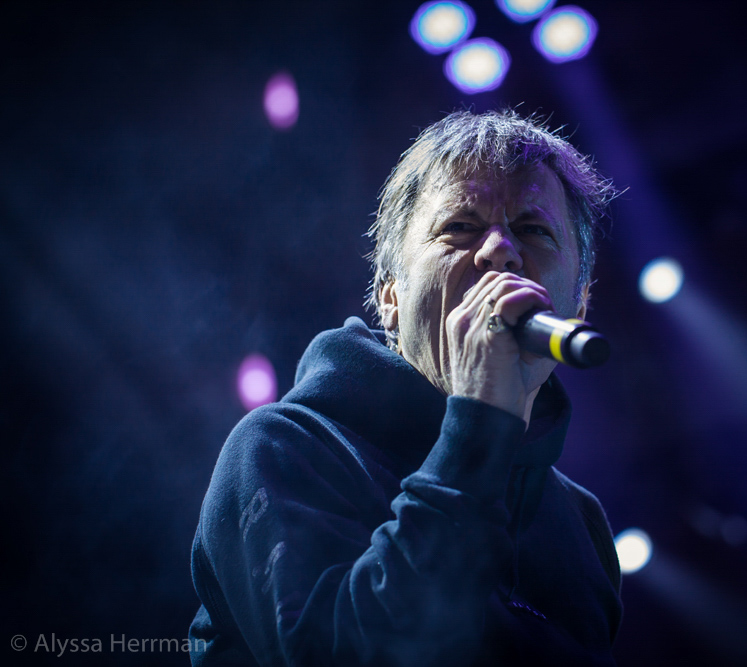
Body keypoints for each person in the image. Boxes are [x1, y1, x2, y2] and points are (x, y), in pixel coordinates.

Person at [189, 110, 622, 666]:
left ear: (579, 303)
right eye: (459, 227)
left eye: (534, 230)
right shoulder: (281, 447)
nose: (499, 252)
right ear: (389, 295)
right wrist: (481, 418)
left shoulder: (579, 520)